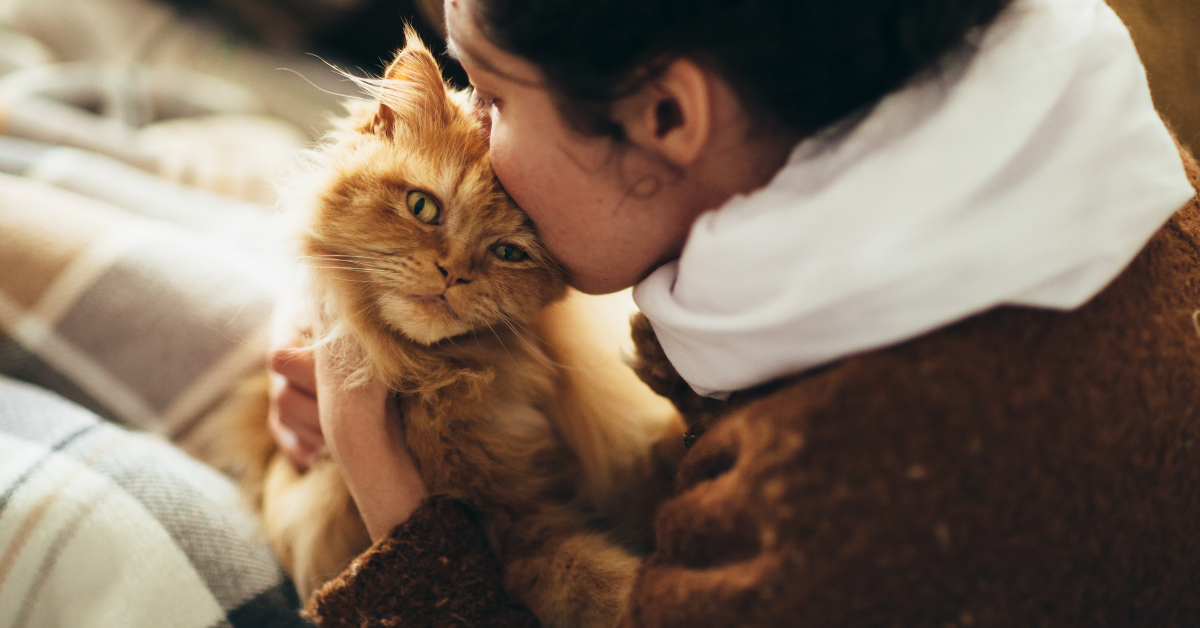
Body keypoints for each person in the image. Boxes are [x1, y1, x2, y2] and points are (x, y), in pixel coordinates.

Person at [270, 0, 1200, 624]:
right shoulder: (1095, 156)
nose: (469, 126)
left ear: (668, 116)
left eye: (496, 96)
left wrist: (377, 463)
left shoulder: (820, 512)